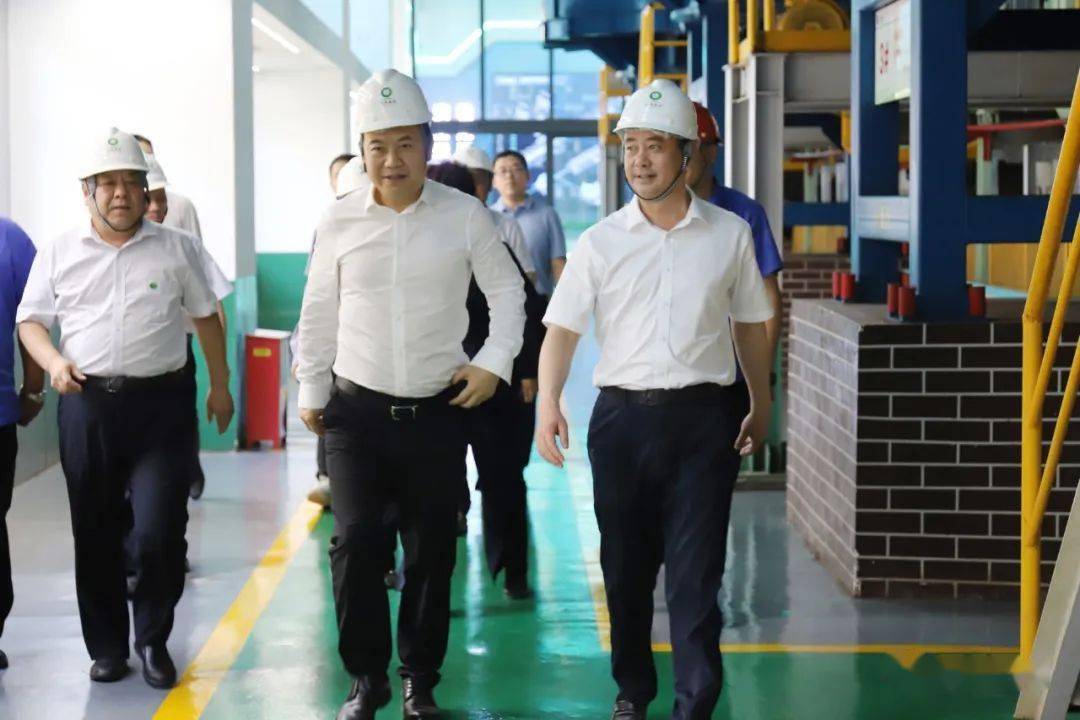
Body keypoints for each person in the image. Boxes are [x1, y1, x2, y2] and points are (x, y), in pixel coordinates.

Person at [535, 80, 774, 720]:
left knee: (697, 578)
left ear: (687, 155)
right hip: (622, 424)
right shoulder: (600, 241)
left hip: (705, 422)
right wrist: (548, 401)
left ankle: (694, 705)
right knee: (626, 571)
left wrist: (761, 400)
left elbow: (751, 324)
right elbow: (562, 330)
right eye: (631, 146)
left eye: (655, 146)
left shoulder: (729, 234)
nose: (639, 161)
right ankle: (633, 692)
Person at [296, 70, 524, 720]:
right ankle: (365, 678)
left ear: (426, 146)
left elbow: (508, 295)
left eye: (404, 145)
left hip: (435, 414)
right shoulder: (338, 220)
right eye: (378, 146)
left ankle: (418, 680)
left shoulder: (465, 216)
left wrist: (493, 364)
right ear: (362, 151)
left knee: (431, 548)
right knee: (356, 542)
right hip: (356, 412)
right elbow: (318, 308)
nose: (391, 160)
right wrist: (311, 386)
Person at [16, 128, 235, 690]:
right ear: (87, 191)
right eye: (108, 183)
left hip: (161, 409)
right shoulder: (60, 251)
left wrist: (220, 384)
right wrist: (53, 362)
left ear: (146, 191)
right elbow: (31, 321)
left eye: (131, 183)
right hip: (86, 406)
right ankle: (108, 648)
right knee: (95, 531)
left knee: (160, 531)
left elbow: (207, 316)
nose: (121, 194)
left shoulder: (178, 247)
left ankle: (153, 640)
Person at [427, 161, 545, 600]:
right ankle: (431, 581)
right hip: (438, 386)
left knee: (502, 479)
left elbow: (525, 310)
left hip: (496, 382)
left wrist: (527, 370)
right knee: (436, 487)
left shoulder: (491, 246)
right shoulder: (420, 252)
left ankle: (514, 571)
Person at [136, 135, 230, 500]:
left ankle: (187, 469)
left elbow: (201, 274)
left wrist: (220, 380)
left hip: (179, 333)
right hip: (135, 346)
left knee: (180, 410)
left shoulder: (178, 210)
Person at [685, 102, 784, 393]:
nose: (682, 159)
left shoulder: (744, 214)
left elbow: (768, 296)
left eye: (690, 149)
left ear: (710, 152)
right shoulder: (653, 218)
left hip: (733, 378)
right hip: (673, 378)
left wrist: (763, 373)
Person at [0, 217, 45, 670]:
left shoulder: (10, 240)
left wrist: (32, 390)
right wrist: (32, 392)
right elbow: (33, 320)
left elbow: (32, 318)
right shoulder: (10, 239)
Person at [452, 145, 537, 286]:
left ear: (490, 183)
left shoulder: (507, 225)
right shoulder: (436, 224)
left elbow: (528, 276)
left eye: (478, 180)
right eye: (464, 180)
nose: (470, 187)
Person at [491, 150, 566, 298]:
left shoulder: (547, 215)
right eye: (503, 171)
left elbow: (558, 263)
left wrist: (565, 301)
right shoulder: (488, 217)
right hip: (497, 303)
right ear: (493, 181)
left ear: (527, 175)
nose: (509, 176)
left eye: (516, 169)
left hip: (539, 301)